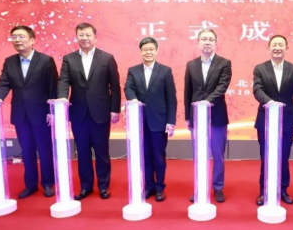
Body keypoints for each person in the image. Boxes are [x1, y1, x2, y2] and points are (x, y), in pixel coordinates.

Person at [0, 25, 58, 199]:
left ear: (32, 40)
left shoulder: (45, 60)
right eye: (14, 37)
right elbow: (3, 83)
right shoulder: (10, 62)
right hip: (20, 114)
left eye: (21, 36)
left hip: (41, 114)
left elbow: (53, 87)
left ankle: (48, 183)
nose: (17, 40)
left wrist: (51, 110)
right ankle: (31, 184)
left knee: (45, 150)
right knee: (27, 151)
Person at [56, 23, 120, 200]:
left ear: (95, 37)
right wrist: (62, 98)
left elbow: (114, 86)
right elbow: (63, 81)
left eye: (88, 35)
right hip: (78, 113)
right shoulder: (69, 59)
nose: (84, 38)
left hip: (101, 112)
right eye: (81, 35)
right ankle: (86, 187)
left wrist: (115, 109)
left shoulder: (107, 58)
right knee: (82, 153)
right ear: (76, 37)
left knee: (102, 152)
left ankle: (103, 186)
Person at [252, 35, 293, 206]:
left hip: (287, 121)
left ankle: (283, 190)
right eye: (274, 45)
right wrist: (270, 103)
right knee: (266, 156)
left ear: (286, 48)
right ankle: (264, 190)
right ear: (268, 48)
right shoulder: (260, 68)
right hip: (265, 120)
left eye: (281, 45)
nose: (277, 48)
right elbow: (257, 90)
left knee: (283, 157)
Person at [124, 37, 177, 202]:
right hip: (140, 121)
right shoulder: (133, 71)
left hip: (159, 122)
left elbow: (171, 98)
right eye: (145, 49)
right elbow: (128, 88)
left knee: (159, 157)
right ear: (141, 51)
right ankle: (149, 186)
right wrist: (133, 100)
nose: (148, 52)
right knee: (145, 156)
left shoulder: (165, 71)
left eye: (151, 49)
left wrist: (171, 121)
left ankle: (160, 187)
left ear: (156, 51)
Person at [184, 28, 232, 203]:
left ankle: (218, 187)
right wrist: (188, 117)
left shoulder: (224, 63)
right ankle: (200, 187)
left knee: (218, 155)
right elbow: (188, 91)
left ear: (215, 43)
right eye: (204, 39)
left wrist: (206, 102)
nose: (207, 42)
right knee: (199, 155)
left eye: (210, 39)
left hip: (217, 117)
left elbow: (222, 87)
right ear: (198, 43)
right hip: (196, 118)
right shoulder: (191, 65)